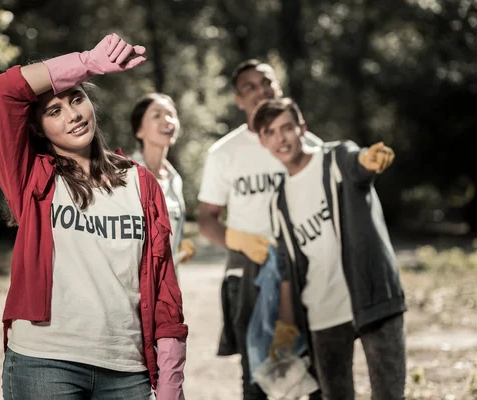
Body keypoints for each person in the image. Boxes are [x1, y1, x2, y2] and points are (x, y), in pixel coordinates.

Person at [0, 33, 187, 400]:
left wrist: (172, 384)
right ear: (38, 128)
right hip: (45, 363)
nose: (73, 115)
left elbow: (164, 290)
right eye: (54, 111)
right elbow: (4, 90)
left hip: (128, 371)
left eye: (77, 98)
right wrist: (86, 63)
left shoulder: (141, 183)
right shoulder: (33, 178)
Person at [252, 98, 406, 400]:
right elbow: (286, 266)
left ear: (302, 128)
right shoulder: (278, 202)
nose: (280, 138)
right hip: (323, 314)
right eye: (270, 132)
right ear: (262, 140)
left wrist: (368, 160)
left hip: (373, 298)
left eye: (286, 128)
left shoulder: (335, 159)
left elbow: (357, 163)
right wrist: (285, 325)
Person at [196, 59, 321, 399]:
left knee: (317, 370)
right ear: (238, 100)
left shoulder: (306, 143)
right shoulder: (224, 152)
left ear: (278, 88)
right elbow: (206, 217)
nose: (260, 91)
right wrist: (236, 240)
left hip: (306, 268)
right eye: (248, 87)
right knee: (259, 378)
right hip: (249, 272)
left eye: (266, 82)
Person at [130, 93, 196, 268]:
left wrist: (178, 246)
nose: (167, 120)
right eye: (156, 115)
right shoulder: (126, 176)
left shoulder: (174, 179)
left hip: (167, 287)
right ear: (139, 130)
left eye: (171, 114)